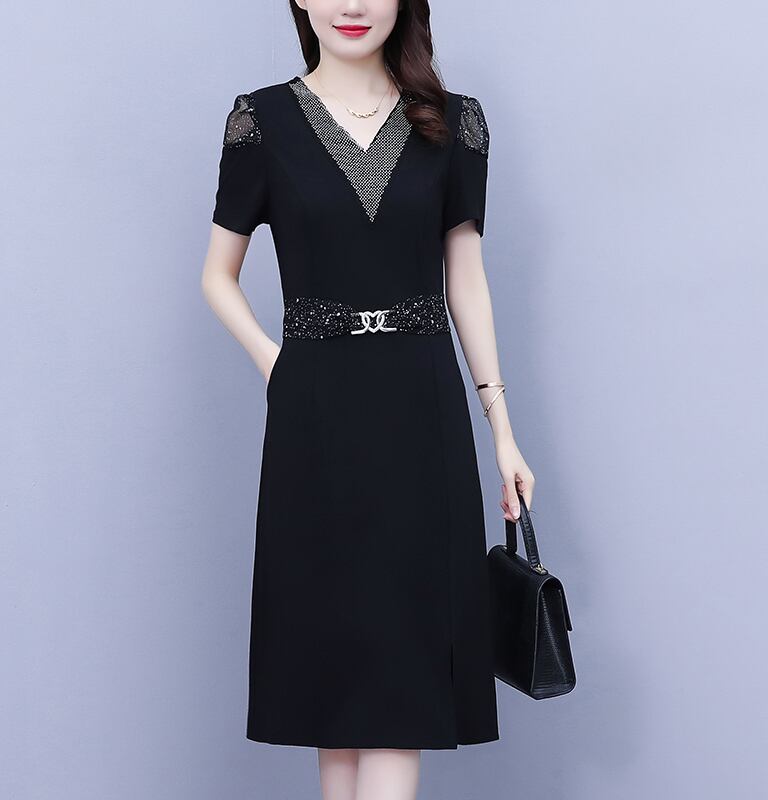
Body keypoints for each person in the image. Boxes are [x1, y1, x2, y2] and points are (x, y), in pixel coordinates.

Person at [201, 1, 535, 797]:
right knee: (336, 678)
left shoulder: (453, 122)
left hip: (421, 411)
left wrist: (502, 431)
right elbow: (217, 275)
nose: (352, 5)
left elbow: (466, 280)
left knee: (400, 674)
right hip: (314, 413)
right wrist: (276, 365)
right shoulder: (261, 120)